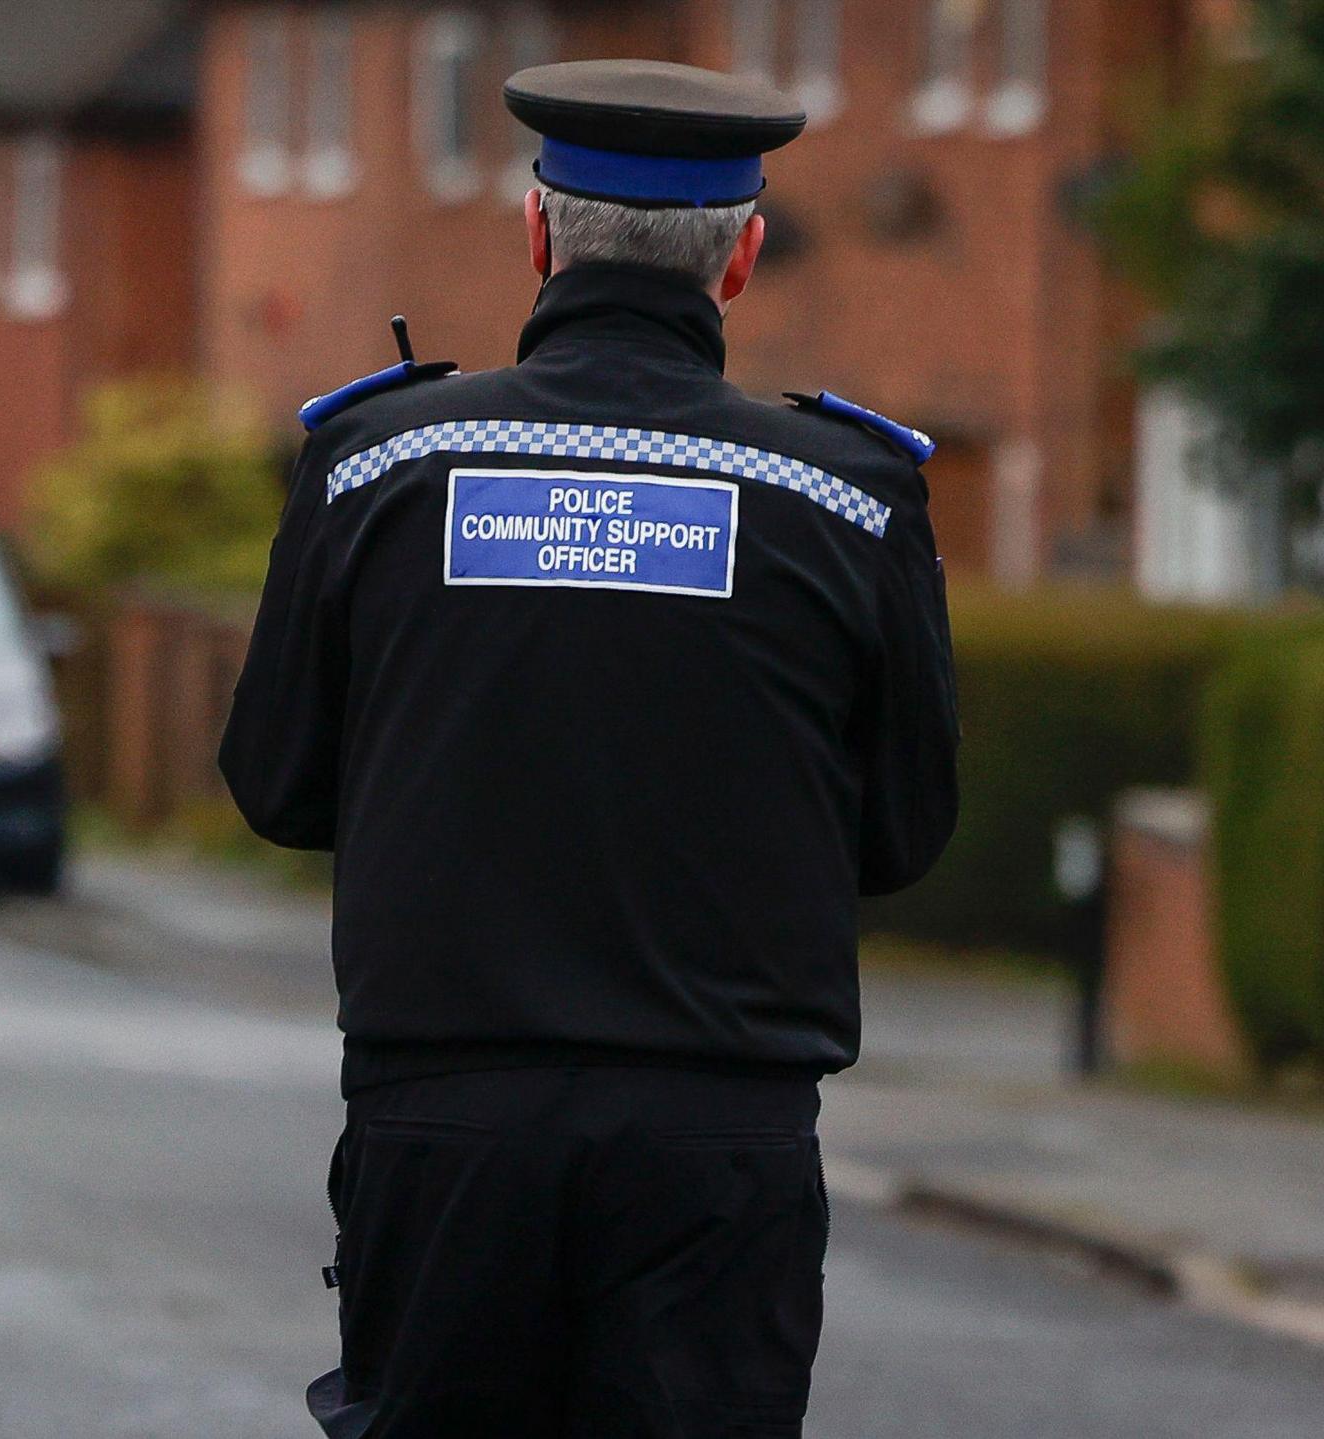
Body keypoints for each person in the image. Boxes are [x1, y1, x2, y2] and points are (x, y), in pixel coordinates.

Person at [220, 60, 958, 1438]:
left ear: (536, 233)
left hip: (445, 1119)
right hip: (717, 1134)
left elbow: (276, 783)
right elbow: (905, 830)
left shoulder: (377, 462)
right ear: (740, 259)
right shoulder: (849, 500)